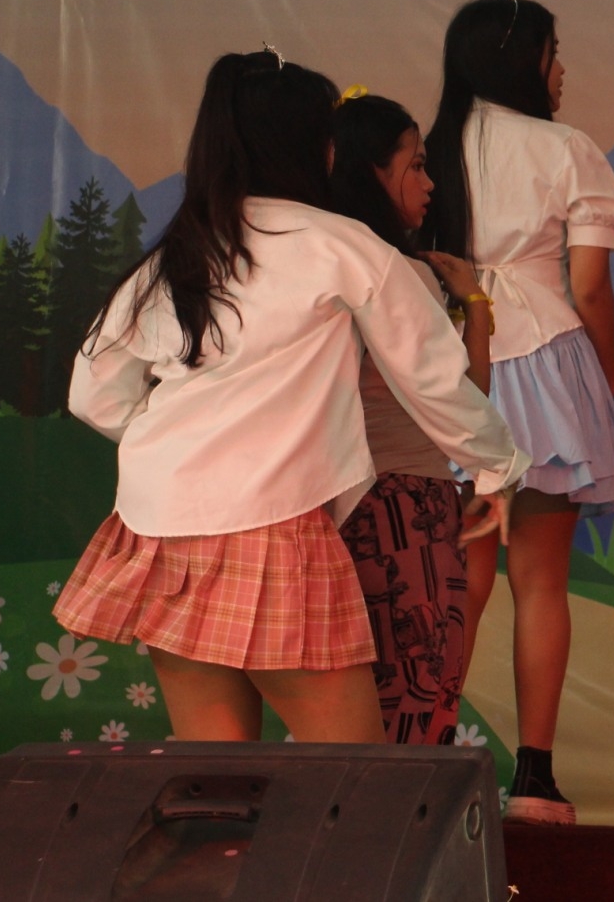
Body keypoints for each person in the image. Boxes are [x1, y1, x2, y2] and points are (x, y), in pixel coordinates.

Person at [59, 51, 527, 743]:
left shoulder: (176, 255)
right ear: (312, 146)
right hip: (274, 523)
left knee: (215, 770)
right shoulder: (344, 246)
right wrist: (495, 468)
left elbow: (93, 395)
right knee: (353, 773)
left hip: (161, 524)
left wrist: (193, 449)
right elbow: (432, 380)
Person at [422, 0, 614, 825]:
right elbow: (590, 286)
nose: (562, 68)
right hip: (546, 364)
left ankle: (426, 753)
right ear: (520, 59)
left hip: (449, 368)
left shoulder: (431, 146)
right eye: (553, 51)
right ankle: (535, 781)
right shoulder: (565, 148)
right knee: (541, 581)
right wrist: (603, 377)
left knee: (458, 579)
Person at [329, 90, 508, 745]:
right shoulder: (402, 274)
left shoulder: (319, 266)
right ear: (373, 173)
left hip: (332, 509)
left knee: (348, 714)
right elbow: (460, 401)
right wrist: (475, 306)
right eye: (416, 165)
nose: (430, 184)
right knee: (417, 703)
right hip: (408, 509)